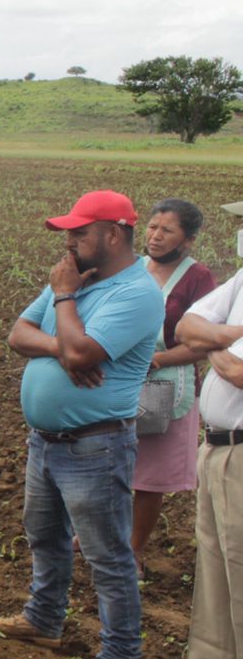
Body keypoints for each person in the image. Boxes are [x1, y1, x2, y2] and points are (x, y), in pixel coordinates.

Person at [0, 190, 163, 659]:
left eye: (80, 232)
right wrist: (66, 348)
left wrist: (63, 304)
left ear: (114, 233)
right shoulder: (76, 280)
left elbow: (84, 353)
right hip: (46, 441)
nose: (69, 240)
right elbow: (19, 335)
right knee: (43, 535)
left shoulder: (135, 293)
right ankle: (43, 621)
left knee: (108, 555)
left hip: (96, 446)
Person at [131, 196, 243, 659]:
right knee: (216, 595)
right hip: (219, 447)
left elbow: (234, 369)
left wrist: (217, 345)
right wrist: (227, 339)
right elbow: (186, 328)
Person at [130, 199, 215, 574]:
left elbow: (202, 341)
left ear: (189, 239)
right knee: (112, 459)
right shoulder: (132, 268)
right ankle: (98, 535)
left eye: (167, 230)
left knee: (149, 475)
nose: (156, 236)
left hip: (168, 384)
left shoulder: (198, 278)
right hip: (122, 379)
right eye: (152, 227)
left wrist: (159, 359)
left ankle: (132, 548)